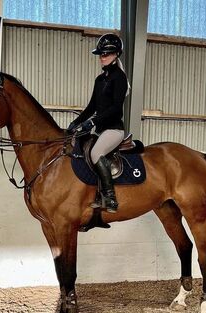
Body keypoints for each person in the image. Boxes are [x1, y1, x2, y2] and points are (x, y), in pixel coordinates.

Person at [67, 33, 129, 213]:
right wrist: (76, 122)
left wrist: (93, 121)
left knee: (95, 153)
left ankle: (110, 198)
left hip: (114, 130)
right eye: (101, 54)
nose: (102, 57)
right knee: (81, 147)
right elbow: (91, 106)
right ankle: (93, 193)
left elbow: (116, 108)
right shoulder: (100, 80)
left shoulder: (119, 78)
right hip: (100, 130)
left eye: (106, 54)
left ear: (116, 54)